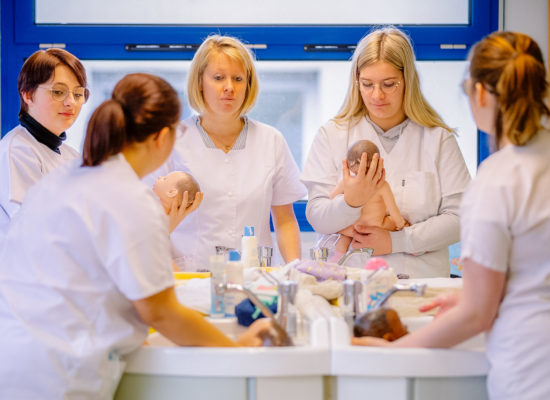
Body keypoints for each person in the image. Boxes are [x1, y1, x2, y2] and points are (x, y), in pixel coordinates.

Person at [0, 73, 271, 399]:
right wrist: (236, 348)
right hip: (58, 373)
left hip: (15, 356)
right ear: (162, 137)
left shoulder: (69, 177)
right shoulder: (129, 198)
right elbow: (162, 312)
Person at [353, 31, 550, 400]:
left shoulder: (499, 178)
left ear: (478, 93)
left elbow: (477, 314)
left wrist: (396, 354)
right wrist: (472, 296)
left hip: (532, 366)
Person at [301, 27, 471, 277]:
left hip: (422, 285)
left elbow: (459, 218)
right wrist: (351, 202)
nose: (377, 95)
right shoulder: (333, 135)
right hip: (351, 284)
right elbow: (317, 216)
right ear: (356, 82)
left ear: (408, 81)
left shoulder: (438, 139)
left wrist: (397, 241)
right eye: (367, 84)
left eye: (389, 84)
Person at [150, 35, 306, 271]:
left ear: (248, 85)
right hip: (191, 275)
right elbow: (151, 223)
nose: (229, 88)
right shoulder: (172, 140)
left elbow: (284, 219)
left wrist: (295, 270)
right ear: (200, 81)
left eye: (238, 78)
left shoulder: (270, 140)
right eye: (218, 78)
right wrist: (175, 280)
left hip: (257, 276)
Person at [0, 48, 88, 238]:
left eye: (78, 94)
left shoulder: (71, 156)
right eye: (58, 92)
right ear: (28, 95)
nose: (71, 102)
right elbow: (33, 228)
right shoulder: (17, 150)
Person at [329, 139, 406, 259]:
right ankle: (413, 249)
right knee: (392, 221)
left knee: (343, 239)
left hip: (352, 228)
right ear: (378, 163)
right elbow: (393, 209)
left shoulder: (346, 183)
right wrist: (400, 223)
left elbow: (330, 202)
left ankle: (336, 260)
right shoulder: (382, 185)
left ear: (349, 165)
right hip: (376, 226)